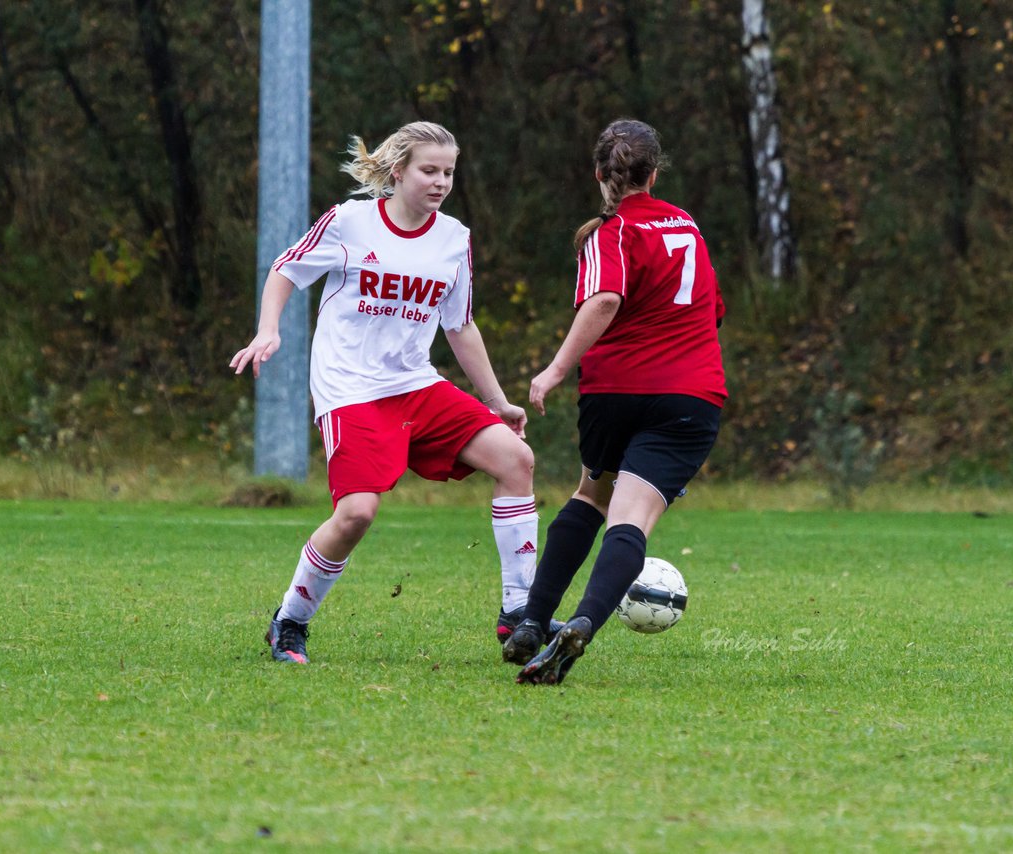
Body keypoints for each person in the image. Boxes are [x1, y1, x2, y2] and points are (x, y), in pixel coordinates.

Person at [231, 121, 550, 664]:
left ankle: (518, 614)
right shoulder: (350, 222)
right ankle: (289, 622)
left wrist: (498, 401)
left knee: (516, 459)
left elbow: (461, 326)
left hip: (415, 384)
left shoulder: (454, 239)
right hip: (350, 390)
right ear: (398, 170)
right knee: (356, 514)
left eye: (448, 171)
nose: (441, 181)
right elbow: (286, 269)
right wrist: (269, 328)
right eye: (429, 170)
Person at [502, 118, 727, 685]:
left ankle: (532, 623)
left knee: (591, 493)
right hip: (689, 395)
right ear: (654, 173)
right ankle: (578, 624)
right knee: (630, 519)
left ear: (600, 174)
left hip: (615, 391)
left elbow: (604, 299)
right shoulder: (689, 227)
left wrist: (554, 370)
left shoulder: (613, 231)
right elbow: (711, 310)